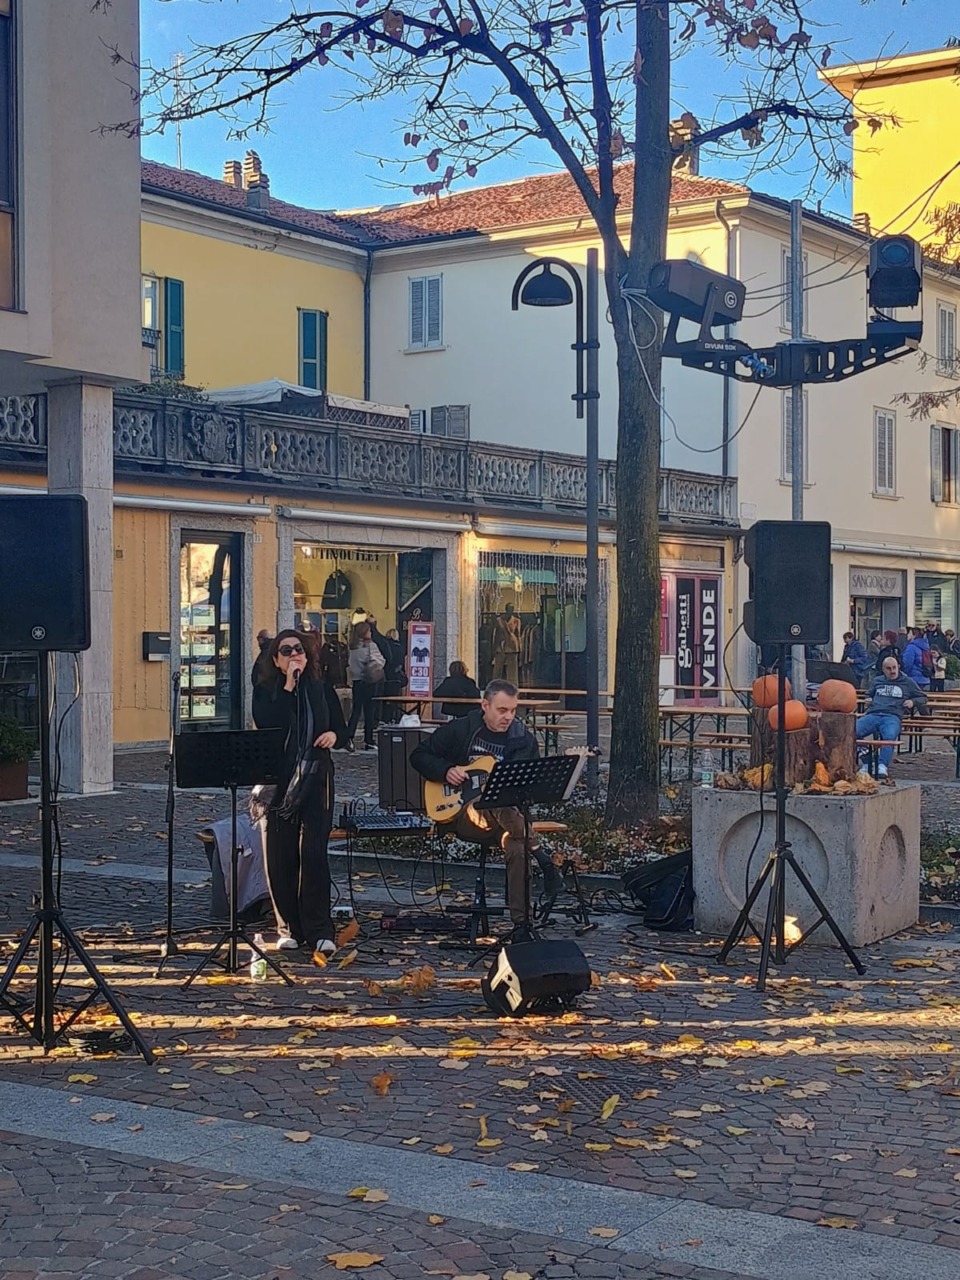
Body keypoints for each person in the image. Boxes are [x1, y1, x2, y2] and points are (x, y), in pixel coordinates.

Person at [410, 679, 561, 935]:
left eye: (513, 710)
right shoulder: (462, 729)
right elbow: (419, 755)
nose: (508, 717)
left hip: (508, 823)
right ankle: (543, 858)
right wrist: (446, 770)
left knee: (517, 847)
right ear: (485, 705)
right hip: (463, 814)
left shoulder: (523, 740)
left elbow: (530, 789)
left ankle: (521, 926)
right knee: (490, 800)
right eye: (502, 710)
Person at [252, 629, 348, 958]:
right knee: (280, 856)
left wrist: (333, 735)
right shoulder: (266, 690)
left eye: (299, 650)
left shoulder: (320, 688)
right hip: (278, 782)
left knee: (313, 854)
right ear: (276, 660)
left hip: (316, 778)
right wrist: (288, 688)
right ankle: (288, 928)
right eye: (286, 650)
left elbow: (342, 729)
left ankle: (319, 929)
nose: (295, 654)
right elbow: (268, 724)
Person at [856, 654, 927, 779]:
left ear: (898, 667)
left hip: (892, 716)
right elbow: (869, 694)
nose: (892, 671)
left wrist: (913, 702)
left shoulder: (907, 682)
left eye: (894, 667)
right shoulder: (877, 681)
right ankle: (867, 761)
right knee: (852, 731)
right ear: (883, 669)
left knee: (889, 736)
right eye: (889, 668)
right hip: (873, 713)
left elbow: (923, 697)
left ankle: (882, 765)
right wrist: (868, 698)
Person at [346, 621, 385, 751]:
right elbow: (381, 661)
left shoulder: (352, 647)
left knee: (356, 711)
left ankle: (349, 736)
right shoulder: (371, 646)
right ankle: (368, 740)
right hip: (369, 681)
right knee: (369, 712)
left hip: (357, 681)